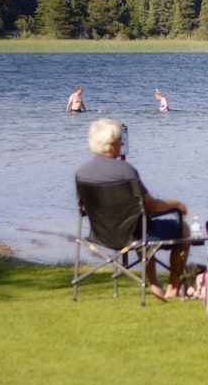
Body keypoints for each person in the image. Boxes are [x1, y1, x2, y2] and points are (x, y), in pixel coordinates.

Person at [75, 117, 190, 299]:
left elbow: (83, 208)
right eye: (120, 140)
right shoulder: (126, 171)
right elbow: (151, 206)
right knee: (182, 229)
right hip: (132, 234)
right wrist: (176, 204)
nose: (122, 144)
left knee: (140, 224)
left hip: (101, 234)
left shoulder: (82, 172)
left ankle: (154, 283)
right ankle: (173, 288)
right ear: (111, 145)